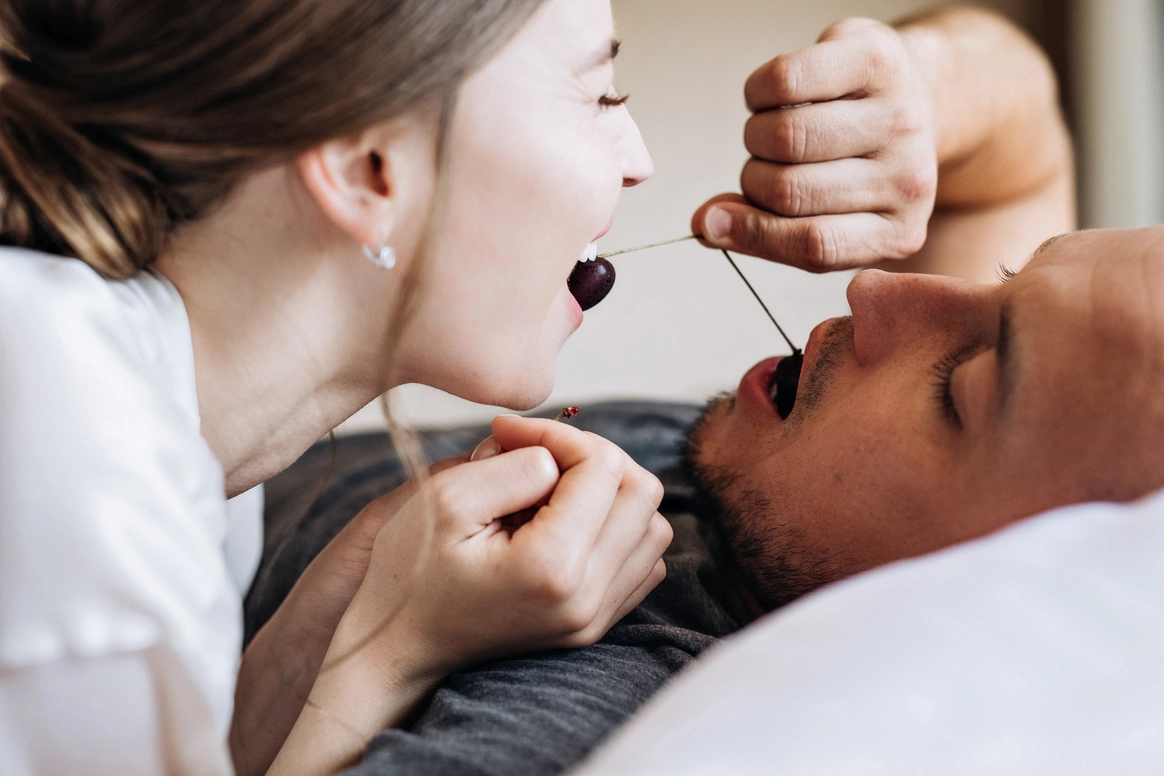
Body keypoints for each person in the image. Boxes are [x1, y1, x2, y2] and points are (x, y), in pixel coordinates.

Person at [243, 7, 1099, 776]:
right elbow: (1015, 154)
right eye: (1007, 277)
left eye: (958, 389)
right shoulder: (801, 470)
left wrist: (394, 650)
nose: (874, 288)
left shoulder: (592, 727)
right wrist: (920, 85)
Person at [0, 2, 675, 775]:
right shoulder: (85, 485)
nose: (639, 160)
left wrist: (346, 616)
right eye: (600, 94)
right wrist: (397, 654)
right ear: (366, 168)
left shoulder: (167, 445)